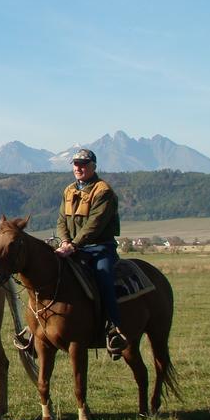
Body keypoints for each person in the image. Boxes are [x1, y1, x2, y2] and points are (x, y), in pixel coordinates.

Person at [55, 148, 128, 358]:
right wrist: (66, 241)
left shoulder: (103, 191)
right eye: (76, 164)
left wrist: (73, 245)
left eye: (84, 164)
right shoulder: (69, 190)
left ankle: (114, 329)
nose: (79, 168)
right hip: (73, 248)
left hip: (99, 249)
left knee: (104, 277)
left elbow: (94, 225)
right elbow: (61, 220)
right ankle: (37, 330)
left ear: (93, 166)